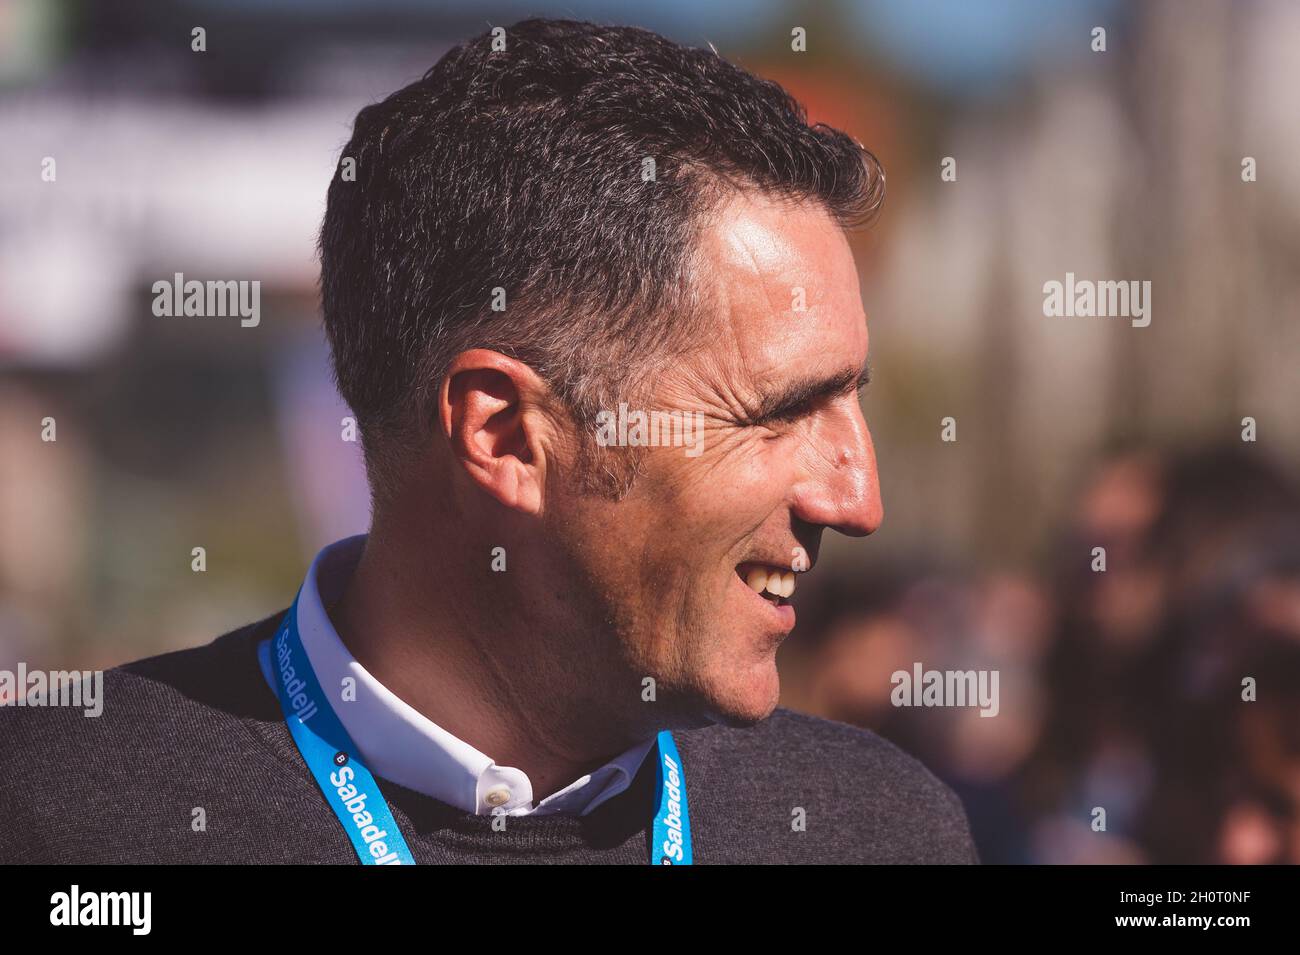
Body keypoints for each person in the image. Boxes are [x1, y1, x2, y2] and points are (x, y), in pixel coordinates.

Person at [0, 17, 977, 864]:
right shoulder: (57, 811)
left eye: (854, 400)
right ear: (505, 434)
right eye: (779, 411)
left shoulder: (881, 829)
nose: (857, 501)